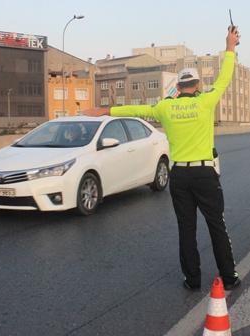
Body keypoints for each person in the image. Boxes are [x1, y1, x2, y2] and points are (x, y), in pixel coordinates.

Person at [83, 26, 241, 291]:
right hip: (205, 174)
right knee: (217, 226)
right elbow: (225, 76)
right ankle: (229, 278)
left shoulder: (165, 107)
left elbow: (136, 108)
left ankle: (192, 280)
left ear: (177, 87)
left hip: (179, 176)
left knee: (186, 230)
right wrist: (230, 44)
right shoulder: (206, 101)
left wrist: (103, 110)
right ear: (198, 85)